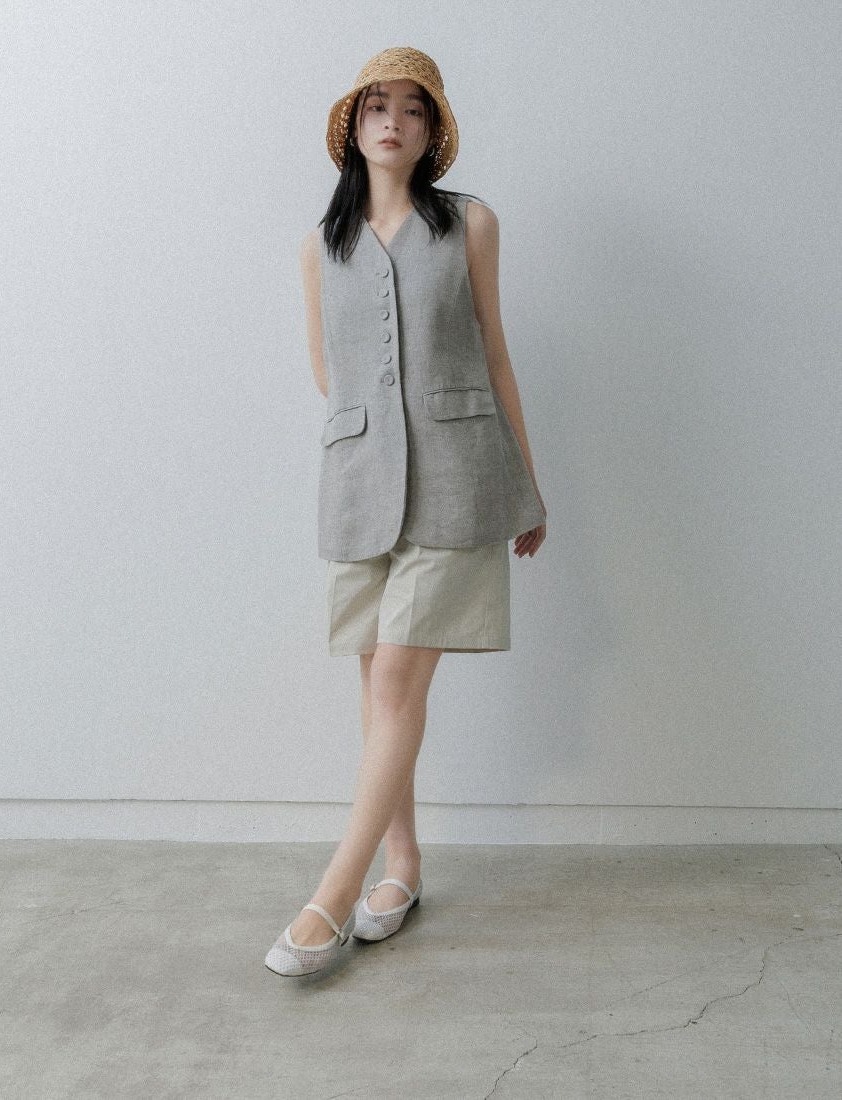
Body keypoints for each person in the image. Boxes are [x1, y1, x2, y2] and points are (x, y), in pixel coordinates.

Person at [265, 46, 548, 976]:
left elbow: (495, 353)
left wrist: (524, 482)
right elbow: (327, 371)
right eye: (376, 106)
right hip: (357, 488)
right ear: (353, 127)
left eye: (412, 110)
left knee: (393, 684)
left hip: (458, 480)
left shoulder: (469, 223)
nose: (393, 122)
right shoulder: (321, 245)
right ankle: (404, 867)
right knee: (379, 693)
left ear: (431, 132)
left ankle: (331, 897)